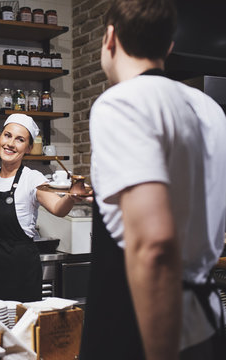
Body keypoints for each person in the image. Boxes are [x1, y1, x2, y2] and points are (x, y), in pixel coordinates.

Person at [79, 1, 226, 360]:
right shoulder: (209, 108)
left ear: (109, 38)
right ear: (168, 46)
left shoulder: (123, 102)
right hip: (204, 324)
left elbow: (154, 246)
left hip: (141, 328)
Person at [0, 113, 82, 302]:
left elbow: (58, 208)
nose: (10, 143)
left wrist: (72, 196)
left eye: (20, 140)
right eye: (7, 135)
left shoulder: (32, 178)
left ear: (28, 148)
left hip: (21, 273)